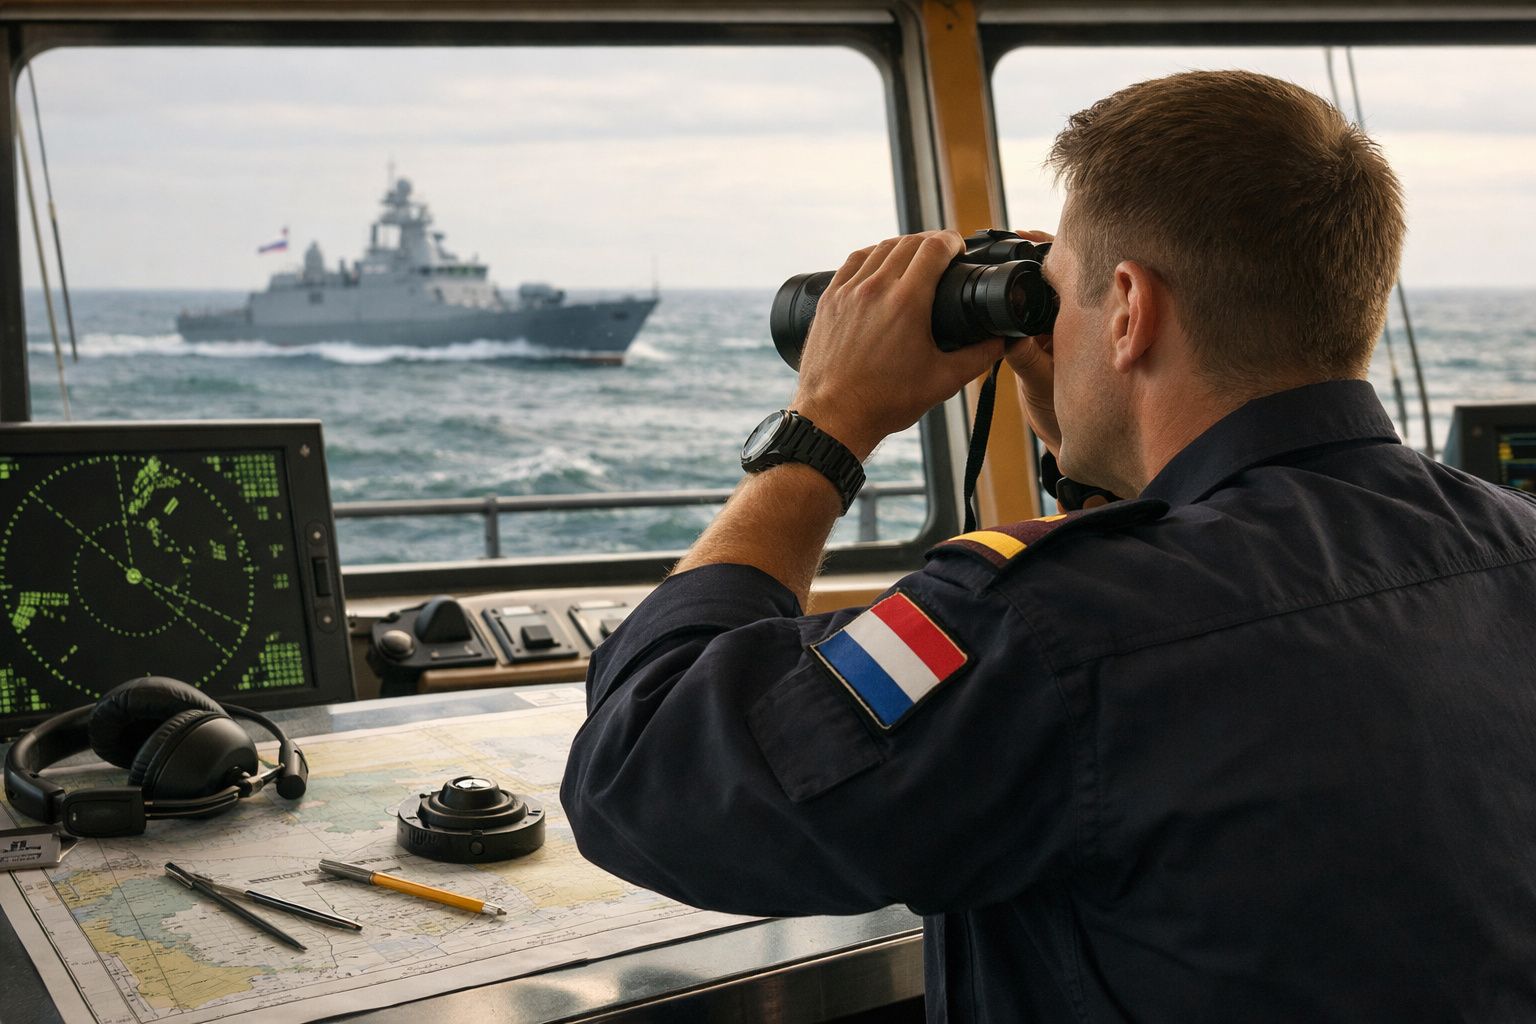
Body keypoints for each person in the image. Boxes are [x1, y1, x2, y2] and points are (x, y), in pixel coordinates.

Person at [561, 70, 1536, 1021]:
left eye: (1056, 295)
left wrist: (826, 422)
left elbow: (640, 771)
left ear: (1128, 308)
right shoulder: (1513, 545)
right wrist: (1079, 441)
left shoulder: (1047, 629)